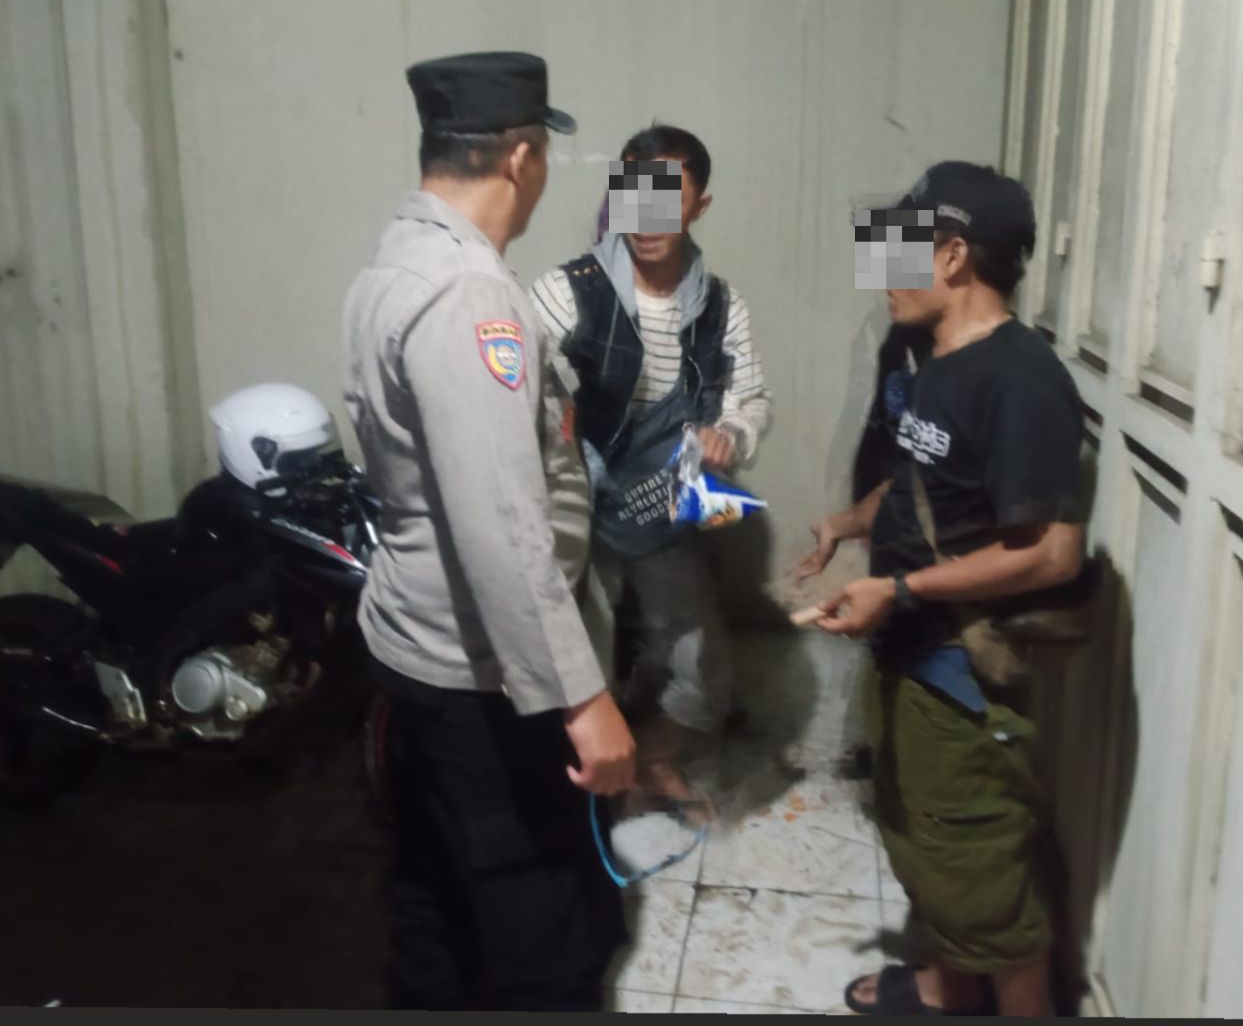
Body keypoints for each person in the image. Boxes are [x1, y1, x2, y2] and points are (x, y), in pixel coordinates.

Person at [342, 52, 635, 1012]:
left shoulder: (393, 260)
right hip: (484, 674)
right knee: (544, 923)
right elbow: (502, 526)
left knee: (434, 885)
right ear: (520, 157)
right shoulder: (470, 294)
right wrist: (582, 697)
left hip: (414, 643)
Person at [799, 162, 1084, 1017]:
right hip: (913, 655)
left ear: (954, 255)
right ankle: (942, 990)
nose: (883, 272)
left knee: (982, 873)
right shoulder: (941, 360)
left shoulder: (1023, 379)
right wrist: (846, 525)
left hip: (963, 674)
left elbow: (1052, 554)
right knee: (923, 838)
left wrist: (901, 589)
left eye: (902, 249)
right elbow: (924, 479)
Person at [530, 124, 772, 800]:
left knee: (702, 667)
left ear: (701, 206)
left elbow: (751, 398)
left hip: (662, 510)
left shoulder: (721, 305)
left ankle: (656, 759)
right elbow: (508, 386)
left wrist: (730, 433)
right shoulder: (568, 289)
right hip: (581, 514)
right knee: (583, 667)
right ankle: (587, 791)